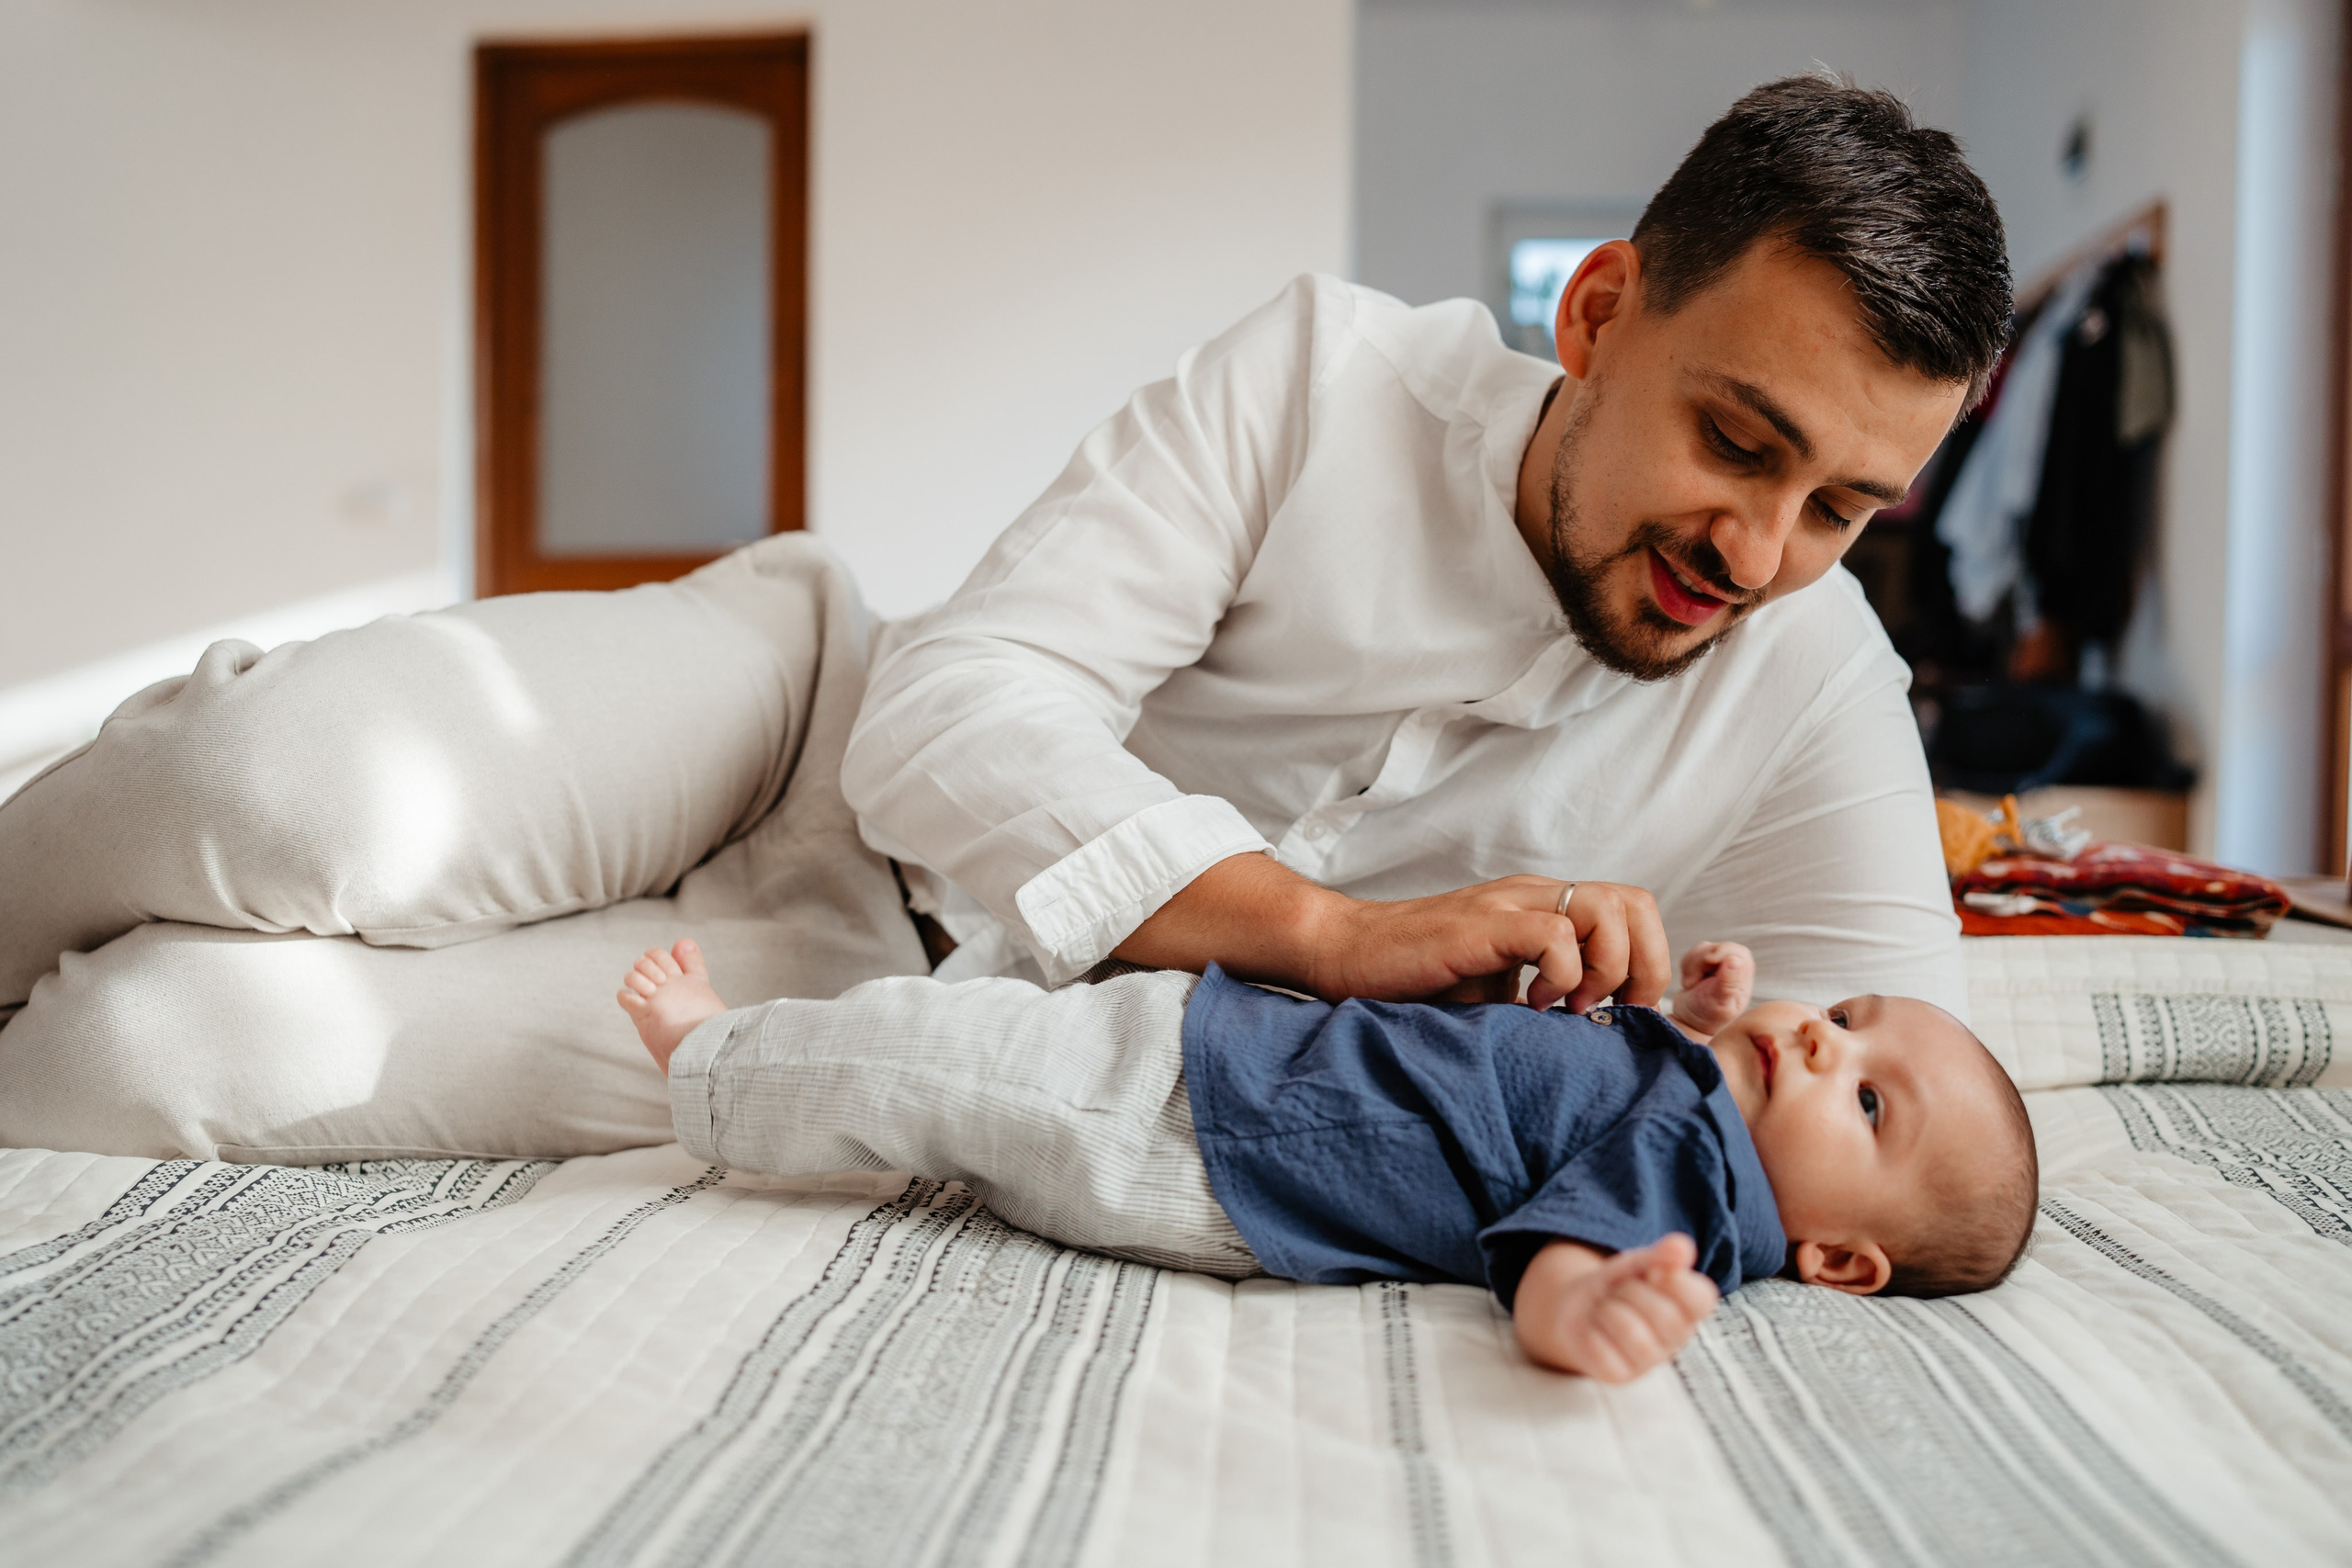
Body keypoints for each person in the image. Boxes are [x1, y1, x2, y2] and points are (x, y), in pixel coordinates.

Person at [842, 75, 2012, 1020]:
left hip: (923, 1009)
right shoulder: (1320, 380)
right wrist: (1326, 935)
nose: (1755, 560)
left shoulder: (1819, 678)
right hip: (812, 760)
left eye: (1837, 511)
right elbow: (940, 716)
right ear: (1596, 313)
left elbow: (1906, 1082)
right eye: (1735, 441)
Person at [614, 930, 2038, 1382]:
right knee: (972, 1029)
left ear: (1840, 1258)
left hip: (1215, 1137)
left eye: (1867, 1106)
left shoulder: (1691, 1184)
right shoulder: (1696, 1093)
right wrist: (1709, 1021)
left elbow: (1558, 1253)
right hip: (1234, 1060)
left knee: (935, 1057)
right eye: (1851, 1020)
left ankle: (714, 1060)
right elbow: (1587, 1080)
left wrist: (1586, 1311)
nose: (1830, 1050)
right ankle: (771, 1043)